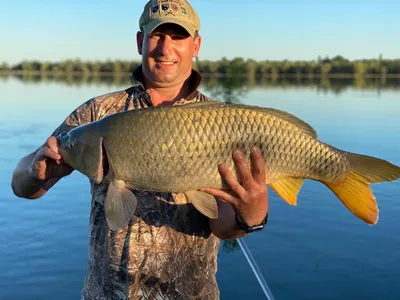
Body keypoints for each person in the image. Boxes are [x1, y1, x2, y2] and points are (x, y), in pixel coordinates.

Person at [11, 0, 269, 299]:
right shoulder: (98, 114)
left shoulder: (219, 121)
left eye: (178, 36)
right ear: (140, 41)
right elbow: (21, 185)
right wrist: (35, 172)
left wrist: (252, 215)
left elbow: (222, 227)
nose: (165, 47)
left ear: (195, 45)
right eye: (157, 35)